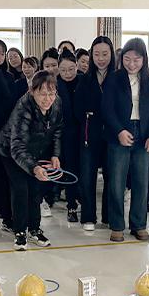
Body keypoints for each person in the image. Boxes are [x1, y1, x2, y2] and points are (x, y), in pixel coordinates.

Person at [102, 37, 149, 242]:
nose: (131, 64)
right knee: (116, 182)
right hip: (119, 133)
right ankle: (117, 225)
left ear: (144, 59)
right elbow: (107, 108)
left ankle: (139, 225)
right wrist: (119, 130)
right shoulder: (114, 78)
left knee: (141, 181)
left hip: (144, 134)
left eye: (136, 59)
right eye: (127, 59)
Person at [0, 69, 61, 250]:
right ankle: (19, 231)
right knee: (20, 189)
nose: (47, 99)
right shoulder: (23, 107)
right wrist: (34, 168)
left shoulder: (56, 103)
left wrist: (55, 154)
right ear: (32, 91)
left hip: (35, 151)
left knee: (35, 190)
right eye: (42, 94)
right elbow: (17, 145)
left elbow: (57, 130)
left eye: (51, 93)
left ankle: (34, 229)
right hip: (10, 151)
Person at [75, 35, 114, 231]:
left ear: (111, 54)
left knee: (111, 176)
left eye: (105, 54)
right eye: (96, 54)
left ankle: (108, 216)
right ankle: (88, 217)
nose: (101, 58)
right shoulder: (85, 78)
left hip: (113, 134)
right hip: (89, 134)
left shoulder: (118, 77)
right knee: (87, 176)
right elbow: (78, 108)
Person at [55, 48, 82, 221]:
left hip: (83, 132)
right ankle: (71, 206)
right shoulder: (54, 84)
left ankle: (82, 200)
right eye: (63, 70)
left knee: (84, 169)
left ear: (77, 66)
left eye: (71, 69)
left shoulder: (84, 81)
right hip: (63, 134)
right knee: (69, 170)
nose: (67, 73)